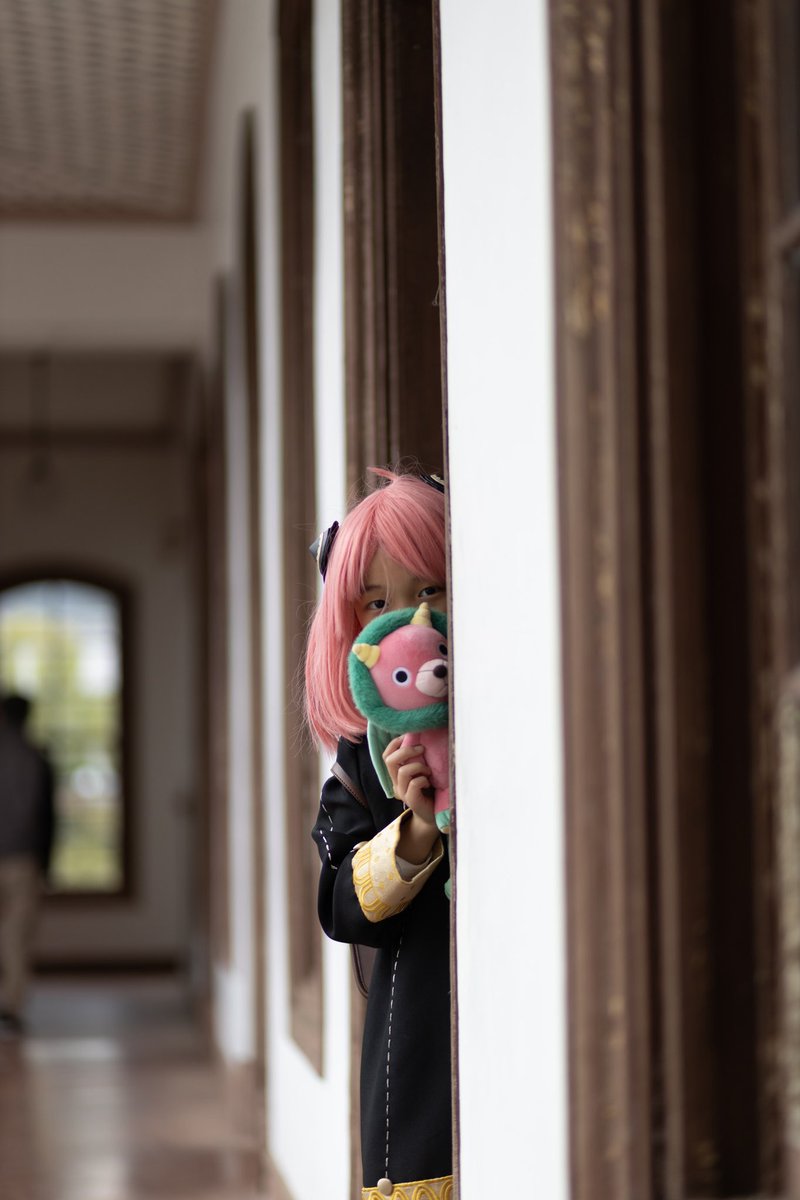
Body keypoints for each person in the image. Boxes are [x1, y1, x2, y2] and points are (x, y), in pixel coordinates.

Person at [306, 468, 452, 1200]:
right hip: (418, 1019)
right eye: (376, 602)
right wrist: (416, 830)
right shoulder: (361, 755)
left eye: (430, 590)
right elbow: (339, 905)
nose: (406, 620)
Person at [0, 693, 55, 1035]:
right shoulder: (37, 758)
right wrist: (46, 865)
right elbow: (48, 819)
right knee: (16, 937)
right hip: (23, 859)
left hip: (19, 856)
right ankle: (12, 1005)